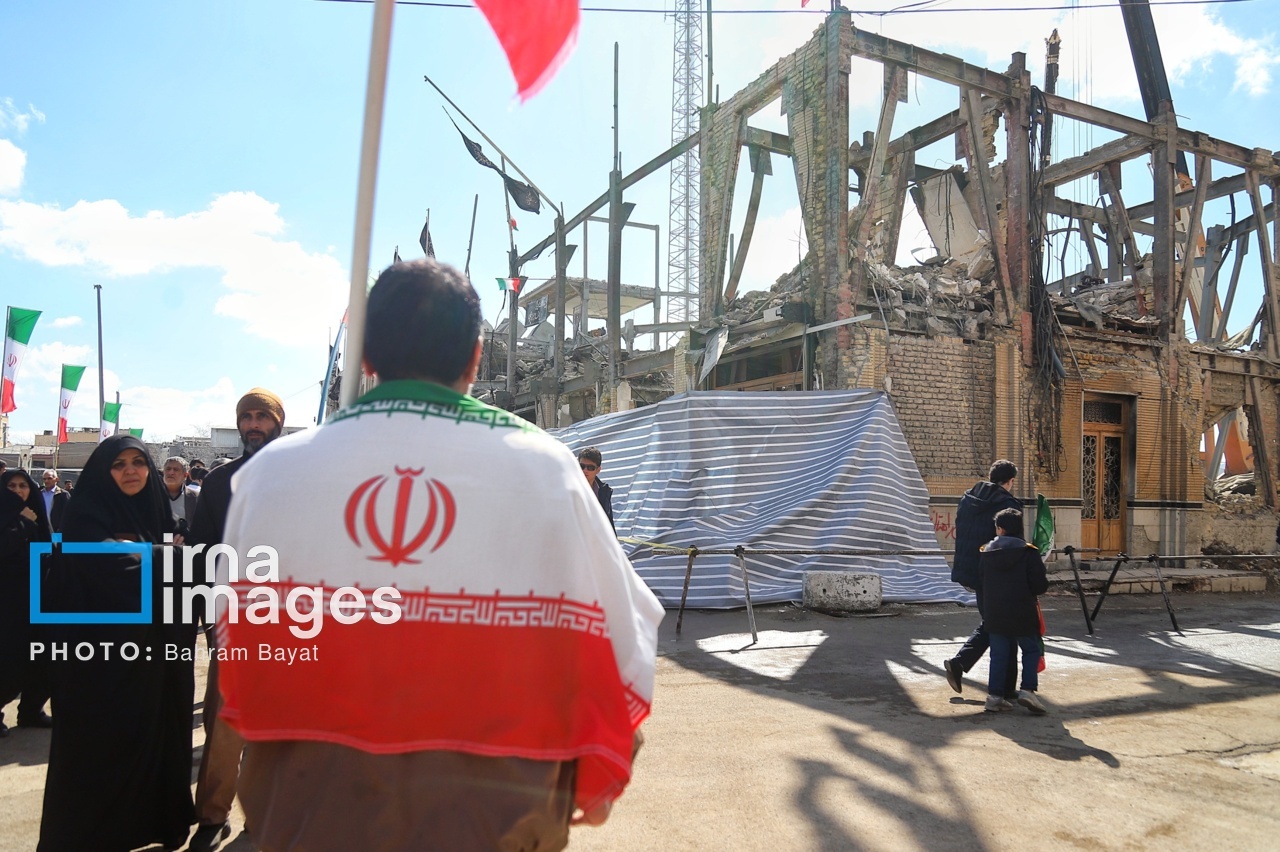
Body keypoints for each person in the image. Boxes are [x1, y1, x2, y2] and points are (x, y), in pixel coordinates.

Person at [217, 259, 662, 851]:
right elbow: (620, 637)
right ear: (475, 357)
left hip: (314, 803)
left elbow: (239, 648)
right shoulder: (546, 468)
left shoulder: (271, 475)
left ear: (366, 358)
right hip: (496, 808)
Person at [36, 435, 197, 852]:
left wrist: (151, 553)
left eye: (138, 463)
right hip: (98, 667)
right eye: (119, 464)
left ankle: (152, 824)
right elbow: (113, 569)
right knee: (100, 758)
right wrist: (166, 555)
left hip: (151, 663)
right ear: (103, 472)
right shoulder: (86, 515)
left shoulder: (155, 510)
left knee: (150, 745)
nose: (130, 471)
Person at [186, 388, 286, 852]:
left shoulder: (301, 476)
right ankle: (212, 813)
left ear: (277, 422)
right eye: (246, 417)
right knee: (225, 718)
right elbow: (203, 549)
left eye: (262, 416)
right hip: (234, 616)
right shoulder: (219, 481)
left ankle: (265, 815)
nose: (253, 424)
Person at [943, 459, 1022, 697]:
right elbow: (1013, 545)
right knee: (1005, 627)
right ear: (1010, 481)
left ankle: (961, 664)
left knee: (993, 622)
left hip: (973, 572)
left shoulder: (968, 499)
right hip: (999, 574)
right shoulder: (1007, 505)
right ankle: (1003, 688)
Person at [979, 508, 1049, 714]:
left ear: (1000, 529)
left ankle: (994, 697)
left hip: (995, 612)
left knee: (998, 654)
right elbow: (1040, 586)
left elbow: (980, 581)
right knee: (1031, 649)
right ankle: (1027, 690)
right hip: (1022, 611)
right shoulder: (1029, 552)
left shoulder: (986, 552)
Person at [0, 468, 54, 735]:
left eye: (23, 486)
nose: (18, 491)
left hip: (38, 597)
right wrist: (22, 523)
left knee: (42, 657)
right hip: (7, 602)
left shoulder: (37, 514)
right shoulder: (17, 517)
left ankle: (32, 710)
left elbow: (48, 548)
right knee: (8, 659)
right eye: (11, 486)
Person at [577, 446, 615, 531]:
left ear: (598, 470)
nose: (585, 470)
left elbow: (608, 522)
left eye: (590, 467)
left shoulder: (604, 492)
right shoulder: (569, 489)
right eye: (582, 466)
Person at [160, 456, 200, 535]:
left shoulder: (195, 497)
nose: (171, 472)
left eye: (176, 470)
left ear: (185, 475)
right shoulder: (152, 496)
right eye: (168, 469)